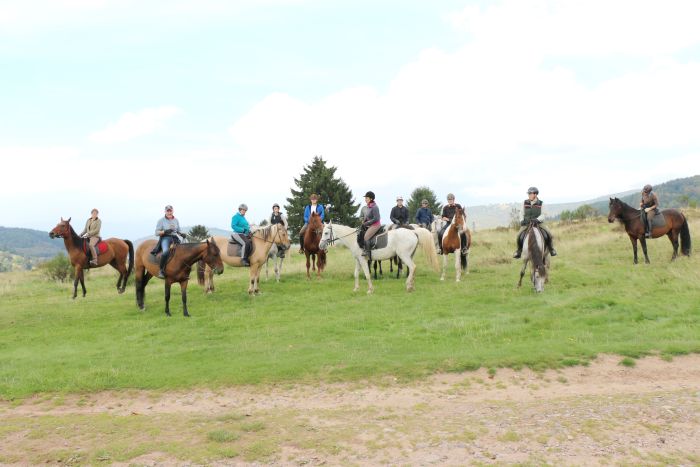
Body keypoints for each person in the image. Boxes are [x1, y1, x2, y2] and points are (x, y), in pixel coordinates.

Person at [513, 187, 557, 258]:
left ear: (535, 194)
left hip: (538, 223)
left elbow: (544, 214)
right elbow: (521, 213)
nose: (529, 195)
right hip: (526, 223)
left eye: (531, 193)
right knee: (519, 235)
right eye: (529, 193)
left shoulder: (541, 203)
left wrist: (537, 219)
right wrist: (521, 220)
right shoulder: (524, 202)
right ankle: (519, 250)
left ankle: (551, 249)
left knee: (549, 233)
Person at [153, 205, 187, 278]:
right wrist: (165, 231)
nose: (169, 212)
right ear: (165, 211)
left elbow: (178, 230)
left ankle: (183, 270)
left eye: (170, 210)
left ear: (172, 211)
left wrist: (182, 234)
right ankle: (161, 270)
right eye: (167, 211)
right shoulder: (161, 220)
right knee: (166, 252)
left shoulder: (176, 220)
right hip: (165, 238)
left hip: (175, 238)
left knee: (183, 252)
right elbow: (156, 233)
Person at [361, 191, 381, 257]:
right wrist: (363, 222)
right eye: (365, 198)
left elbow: (376, 218)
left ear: (371, 199)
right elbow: (368, 217)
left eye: (367, 198)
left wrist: (367, 223)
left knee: (366, 237)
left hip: (375, 225)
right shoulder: (369, 206)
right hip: (370, 225)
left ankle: (367, 252)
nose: (365, 199)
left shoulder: (375, 207)